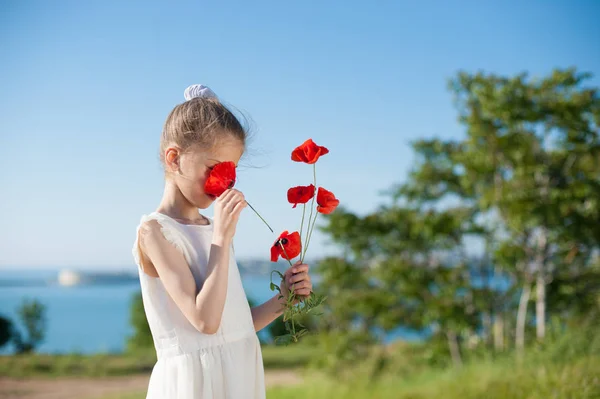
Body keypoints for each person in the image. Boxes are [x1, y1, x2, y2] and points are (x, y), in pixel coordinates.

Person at [132, 84, 313, 398]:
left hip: (238, 374)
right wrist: (221, 238)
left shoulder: (214, 230)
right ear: (174, 159)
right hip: (195, 386)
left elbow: (234, 327)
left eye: (233, 170)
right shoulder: (155, 232)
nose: (226, 180)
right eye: (214, 168)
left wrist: (284, 298)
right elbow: (206, 321)